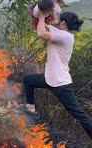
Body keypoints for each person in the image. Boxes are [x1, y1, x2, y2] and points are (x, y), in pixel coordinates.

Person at [22, 11, 92, 139]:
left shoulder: (66, 36)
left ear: (64, 23)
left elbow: (41, 33)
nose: (57, 21)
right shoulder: (60, 33)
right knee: (27, 80)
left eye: (59, 19)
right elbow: (40, 25)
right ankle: (30, 108)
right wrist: (41, 12)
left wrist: (43, 15)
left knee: (78, 114)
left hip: (61, 84)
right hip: (49, 79)